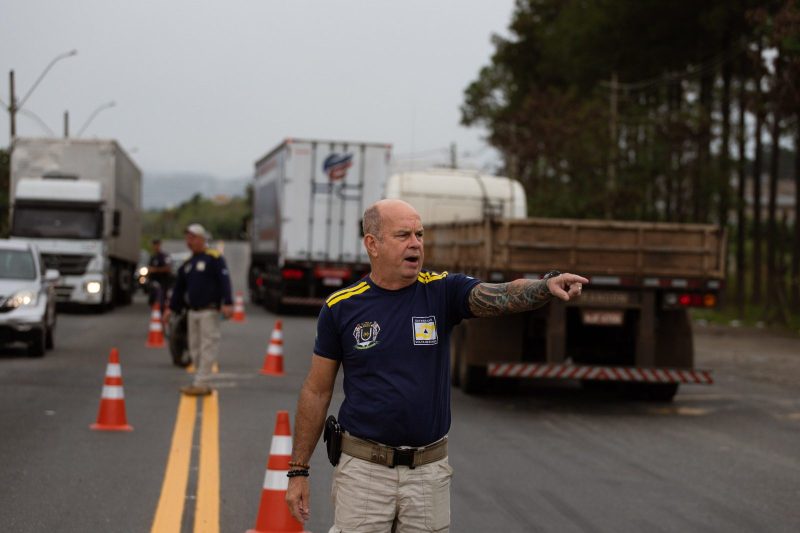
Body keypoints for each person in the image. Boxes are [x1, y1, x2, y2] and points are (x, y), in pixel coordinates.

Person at [285, 199, 588, 532]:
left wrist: (544, 287)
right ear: (372, 244)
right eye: (403, 235)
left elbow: (501, 294)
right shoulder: (341, 308)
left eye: (419, 234)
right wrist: (298, 470)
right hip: (364, 473)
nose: (416, 243)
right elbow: (317, 391)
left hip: (428, 475)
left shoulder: (442, 291)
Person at [163, 224, 234, 396]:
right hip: (192, 312)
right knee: (194, 348)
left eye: (193, 238)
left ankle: (201, 383)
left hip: (209, 310)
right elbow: (179, 289)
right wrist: (171, 309)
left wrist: (228, 302)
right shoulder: (188, 264)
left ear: (202, 239)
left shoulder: (213, 258)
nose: (189, 241)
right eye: (188, 238)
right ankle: (201, 380)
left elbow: (224, 280)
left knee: (207, 346)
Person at [147, 238, 173, 313]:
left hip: (162, 282)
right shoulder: (152, 257)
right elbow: (149, 268)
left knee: (161, 300)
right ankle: (155, 313)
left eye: (156, 245)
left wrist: (156, 270)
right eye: (153, 245)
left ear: (159, 245)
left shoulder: (164, 256)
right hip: (153, 282)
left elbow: (168, 268)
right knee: (152, 300)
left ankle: (161, 313)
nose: (155, 247)